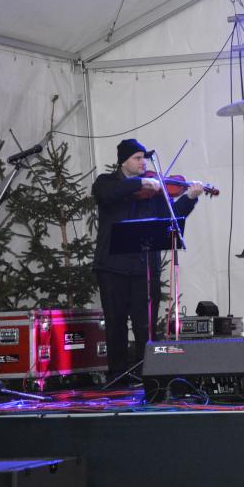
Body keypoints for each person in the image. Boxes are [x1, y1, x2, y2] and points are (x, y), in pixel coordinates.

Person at [92, 138, 204, 385]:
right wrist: (140, 182)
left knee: (146, 325)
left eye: (144, 158)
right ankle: (118, 375)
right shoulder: (106, 182)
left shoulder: (154, 191)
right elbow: (108, 195)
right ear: (124, 161)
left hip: (145, 268)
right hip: (112, 267)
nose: (143, 162)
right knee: (115, 323)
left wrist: (190, 197)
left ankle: (147, 372)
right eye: (137, 158)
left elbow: (171, 216)